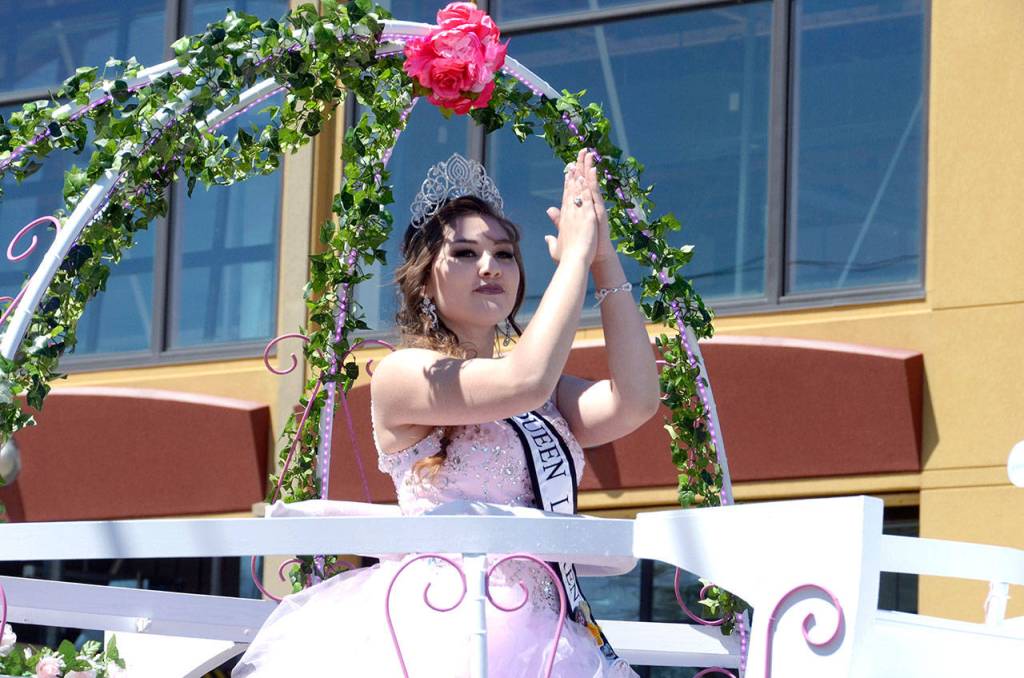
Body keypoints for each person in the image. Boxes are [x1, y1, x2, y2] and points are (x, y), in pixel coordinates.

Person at [233, 149, 659, 677]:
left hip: (547, 636)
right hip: (441, 625)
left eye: (504, 254)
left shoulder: (539, 396)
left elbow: (635, 401)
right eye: (464, 253)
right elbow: (522, 381)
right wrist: (571, 260)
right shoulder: (404, 375)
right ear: (422, 279)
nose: (489, 267)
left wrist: (602, 258)